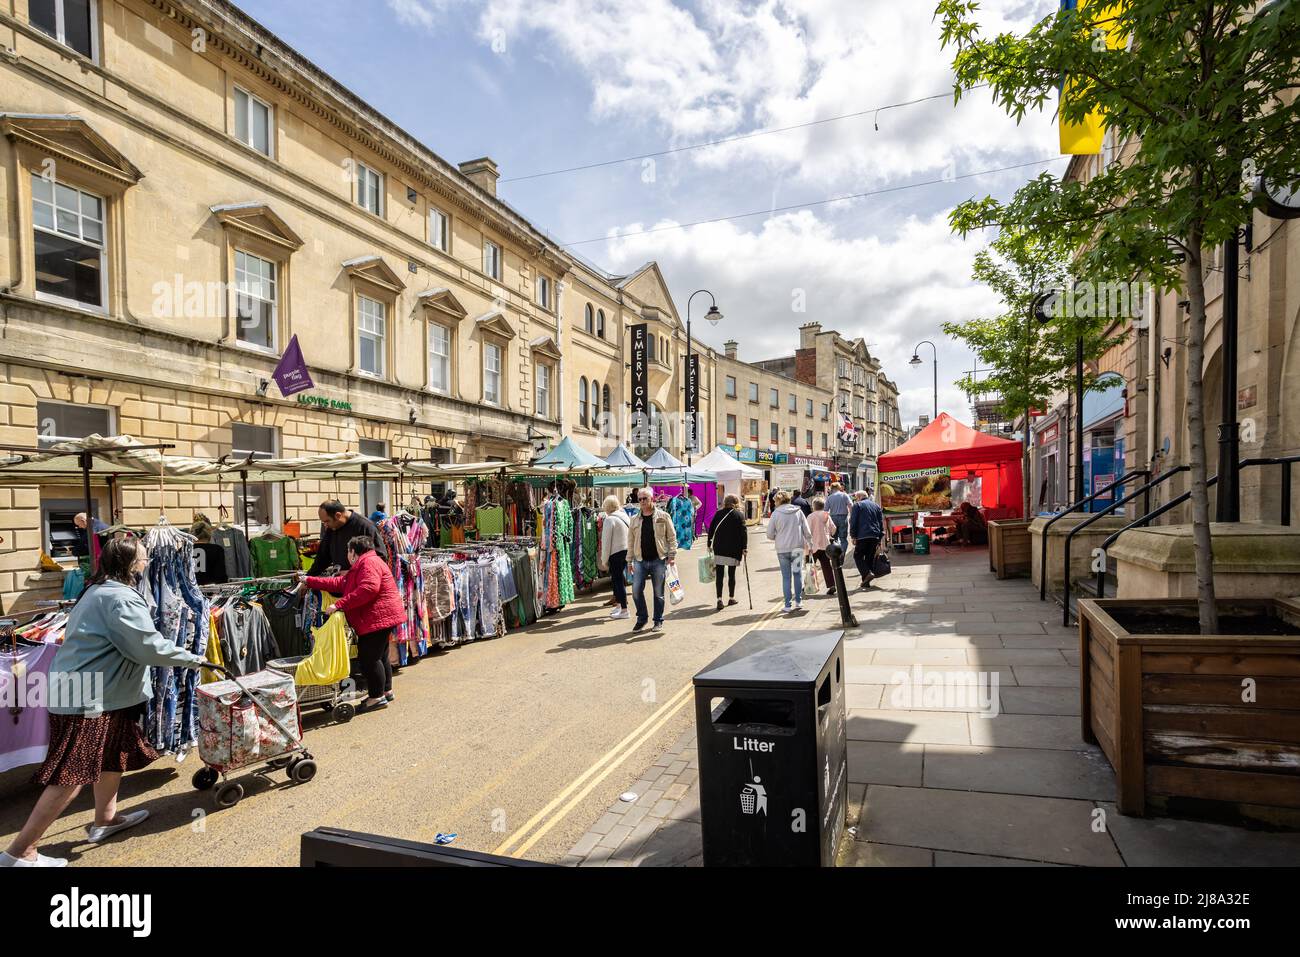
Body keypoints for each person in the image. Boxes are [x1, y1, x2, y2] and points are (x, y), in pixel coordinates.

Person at [2, 539, 208, 868]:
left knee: (112, 757)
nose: (147, 561)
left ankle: (105, 819)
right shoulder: (120, 597)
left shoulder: (99, 590)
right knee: (73, 774)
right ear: (131, 564)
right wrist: (195, 659)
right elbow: (145, 646)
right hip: (88, 693)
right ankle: (19, 852)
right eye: (143, 557)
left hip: (96, 690)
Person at [301, 536, 405, 712]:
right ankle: (385, 691)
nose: (347, 555)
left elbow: (368, 588)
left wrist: (338, 604)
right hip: (381, 617)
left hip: (377, 619)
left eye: (347, 551)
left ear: (353, 552)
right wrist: (309, 580)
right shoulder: (366, 563)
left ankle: (376, 697)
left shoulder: (368, 564)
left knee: (369, 659)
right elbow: (340, 583)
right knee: (380, 656)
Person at [627, 487, 677, 632]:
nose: (642, 501)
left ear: (652, 499)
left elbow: (672, 537)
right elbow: (630, 542)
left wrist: (672, 555)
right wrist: (629, 561)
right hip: (640, 560)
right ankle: (642, 618)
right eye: (640, 499)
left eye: (645, 498)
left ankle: (658, 620)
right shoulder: (634, 520)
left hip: (658, 560)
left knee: (658, 593)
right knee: (636, 591)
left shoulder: (663, 516)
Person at [308, 500, 387, 576]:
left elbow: (380, 558)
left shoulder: (365, 526)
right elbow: (322, 558)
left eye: (327, 521)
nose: (325, 525)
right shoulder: (331, 529)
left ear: (338, 515)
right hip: (340, 585)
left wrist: (352, 573)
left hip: (361, 585)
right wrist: (308, 578)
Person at [767, 490, 811, 613]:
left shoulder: (776, 514)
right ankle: (798, 601)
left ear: (777, 501)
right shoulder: (798, 511)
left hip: (782, 549)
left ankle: (787, 605)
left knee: (786, 577)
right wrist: (810, 543)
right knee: (797, 574)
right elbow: (807, 530)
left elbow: (769, 535)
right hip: (797, 547)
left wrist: (778, 536)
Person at [707, 494, 748, 610]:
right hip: (733, 549)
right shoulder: (739, 515)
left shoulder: (718, 514)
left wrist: (709, 544)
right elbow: (743, 533)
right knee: (731, 574)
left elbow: (711, 529)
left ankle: (719, 600)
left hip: (719, 548)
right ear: (736, 502)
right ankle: (731, 598)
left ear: (725, 502)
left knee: (719, 575)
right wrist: (744, 548)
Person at [599, 496, 630, 621]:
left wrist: (604, 560)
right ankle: (619, 606)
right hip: (625, 551)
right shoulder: (624, 516)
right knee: (619, 579)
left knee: (617, 581)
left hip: (615, 553)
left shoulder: (609, 519)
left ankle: (624, 609)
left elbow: (606, 543)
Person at [849, 490, 886, 590]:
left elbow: (853, 521)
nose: (856, 499)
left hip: (862, 535)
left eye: (856, 497)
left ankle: (867, 574)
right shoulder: (876, 506)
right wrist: (880, 536)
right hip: (874, 535)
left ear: (859, 497)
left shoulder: (857, 505)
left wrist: (853, 536)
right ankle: (866, 582)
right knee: (869, 558)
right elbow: (880, 522)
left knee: (858, 556)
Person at [807, 497, 837, 596]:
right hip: (825, 544)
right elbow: (833, 528)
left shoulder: (811, 516)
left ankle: (809, 586)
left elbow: (807, 532)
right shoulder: (826, 515)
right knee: (826, 566)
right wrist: (829, 534)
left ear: (814, 506)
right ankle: (831, 585)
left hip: (813, 545)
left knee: (810, 565)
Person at [825, 483, 853, 563]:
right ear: (839, 487)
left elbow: (825, 510)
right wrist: (851, 516)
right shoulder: (844, 495)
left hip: (833, 518)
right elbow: (851, 505)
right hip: (843, 518)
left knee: (834, 539)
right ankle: (842, 554)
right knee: (843, 539)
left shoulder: (829, 498)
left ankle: (835, 556)